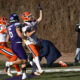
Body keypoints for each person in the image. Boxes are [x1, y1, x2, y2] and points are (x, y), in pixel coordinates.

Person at [21, 4, 43, 75]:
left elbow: (40, 18)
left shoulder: (32, 22)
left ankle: (33, 71)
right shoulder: (25, 25)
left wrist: (41, 10)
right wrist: (34, 31)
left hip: (35, 41)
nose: (31, 17)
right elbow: (28, 35)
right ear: (25, 18)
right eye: (29, 16)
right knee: (36, 55)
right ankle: (40, 69)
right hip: (29, 42)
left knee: (35, 57)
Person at [6, 13, 27, 80]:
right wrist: (25, 37)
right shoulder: (16, 24)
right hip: (18, 44)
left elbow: (7, 39)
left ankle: (24, 75)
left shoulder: (9, 26)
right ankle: (9, 63)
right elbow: (19, 33)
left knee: (22, 60)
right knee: (24, 60)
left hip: (13, 45)